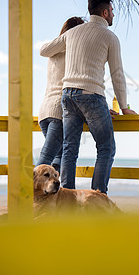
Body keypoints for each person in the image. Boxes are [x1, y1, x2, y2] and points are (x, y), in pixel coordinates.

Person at [40, 0, 137, 193]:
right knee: (106, 148)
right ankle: (98, 195)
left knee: (69, 150)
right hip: (92, 95)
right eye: (112, 11)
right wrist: (125, 107)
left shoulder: (73, 33)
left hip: (67, 97)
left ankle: (67, 197)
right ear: (105, 12)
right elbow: (117, 74)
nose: (113, 15)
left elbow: (46, 50)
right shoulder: (110, 36)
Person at [36, 17, 84, 172]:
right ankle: (27, 194)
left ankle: (55, 195)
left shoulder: (53, 52)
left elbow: (43, 49)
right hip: (59, 112)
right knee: (45, 161)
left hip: (44, 112)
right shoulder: (74, 54)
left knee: (58, 157)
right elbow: (81, 85)